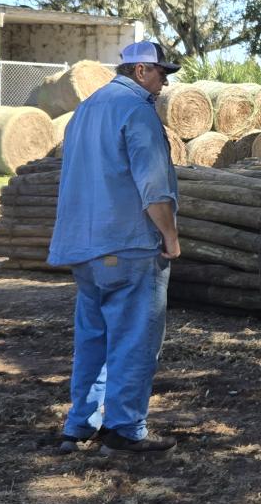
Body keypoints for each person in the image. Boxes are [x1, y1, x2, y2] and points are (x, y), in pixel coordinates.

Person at [46, 39, 184, 455]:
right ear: (141, 71)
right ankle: (124, 429)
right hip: (130, 245)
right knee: (134, 339)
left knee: (93, 340)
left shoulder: (85, 110)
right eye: (161, 73)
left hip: (85, 247)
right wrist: (170, 236)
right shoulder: (137, 110)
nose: (164, 83)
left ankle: (79, 426)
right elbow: (153, 185)